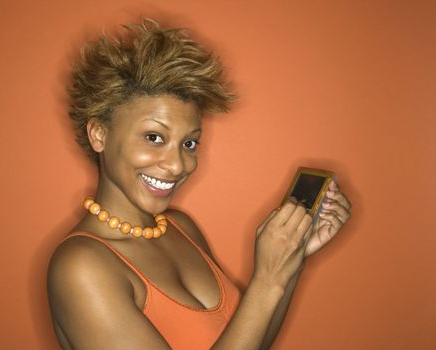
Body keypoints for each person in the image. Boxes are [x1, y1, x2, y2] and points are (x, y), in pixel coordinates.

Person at [47, 19, 351, 350]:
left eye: (189, 144)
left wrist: (291, 262)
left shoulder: (181, 227)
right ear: (99, 134)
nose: (178, 165)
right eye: (154, 137)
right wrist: (268, 279)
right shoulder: (80, 267)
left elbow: (251, 341)